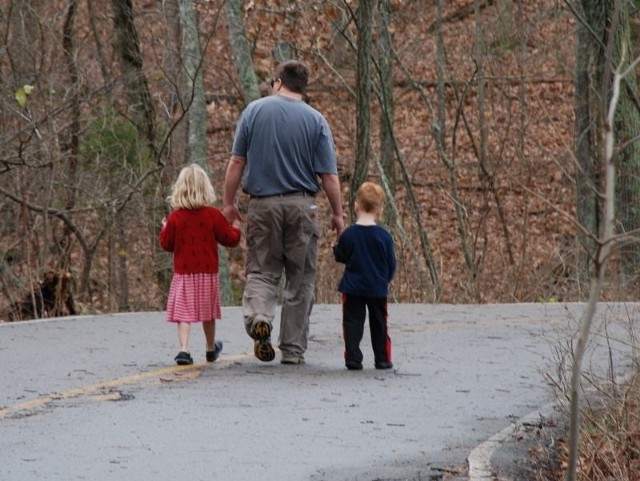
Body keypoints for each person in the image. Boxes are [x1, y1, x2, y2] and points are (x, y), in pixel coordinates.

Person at [223, 60, 344, 365]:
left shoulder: (254, 111)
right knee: (300, 278)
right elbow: (329, 176)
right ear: (304, 88)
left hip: (263, 205)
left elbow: (237, 162)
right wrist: (338, 214)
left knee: (263, 270)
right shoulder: (316, 121)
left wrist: (229, 203)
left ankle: (260, 317)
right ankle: (292, 349)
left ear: (278, 82)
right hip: (303, 205)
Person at [160, 163, 242, 365]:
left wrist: (164, 228)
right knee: (208, 313)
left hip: (184, 273)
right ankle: (210, 347)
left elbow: (167, 244)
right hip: (207, 273)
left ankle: (184, 350)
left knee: (183, 313)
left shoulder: (175, 218)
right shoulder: (214, 215)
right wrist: (237, 227)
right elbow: (229, 239)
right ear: (206, 188)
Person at [333, 182, 396, 370]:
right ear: (379, 210)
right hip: (377, 287)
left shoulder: (348, 235)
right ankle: (382, 358)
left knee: (352, 322)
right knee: (379, 323)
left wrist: (335, 248)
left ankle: (353, 357)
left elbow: (341, 255)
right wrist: (386, 280)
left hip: (353, 287)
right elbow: (390, 263)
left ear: (356, 206)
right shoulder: (384, 236)